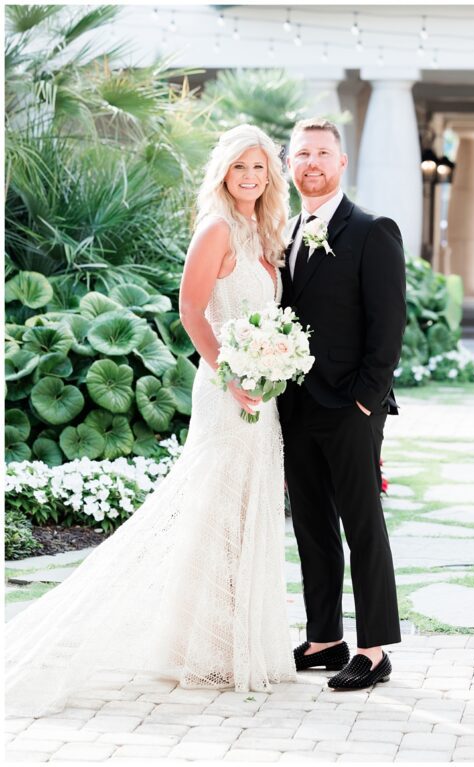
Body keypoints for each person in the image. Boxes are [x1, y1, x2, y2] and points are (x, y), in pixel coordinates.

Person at [5, 124, 297, 715]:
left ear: (270, 178)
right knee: (213, 511)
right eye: (239, 167)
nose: (249, 177)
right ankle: (208, 648)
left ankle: (245, 644)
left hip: (261, 400)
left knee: (249, 510)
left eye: (259, 168)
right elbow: (191, 310)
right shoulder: (216, 229)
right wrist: (232, 377)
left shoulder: (264, 236)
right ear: (223, 174)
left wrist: (271, 366)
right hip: (226, 393)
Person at [277, 118, 406, 691]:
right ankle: (325, 638)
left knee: (362, 525)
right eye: (302, 153)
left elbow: (388, 328)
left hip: (351, 408)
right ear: (290, 164)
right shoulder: (280, 233)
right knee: (310, 525)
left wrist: (364, 403)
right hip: (296, 406)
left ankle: (374, 651)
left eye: (322, 153)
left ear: (342, 162)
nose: (312, 163)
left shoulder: (373, 230)